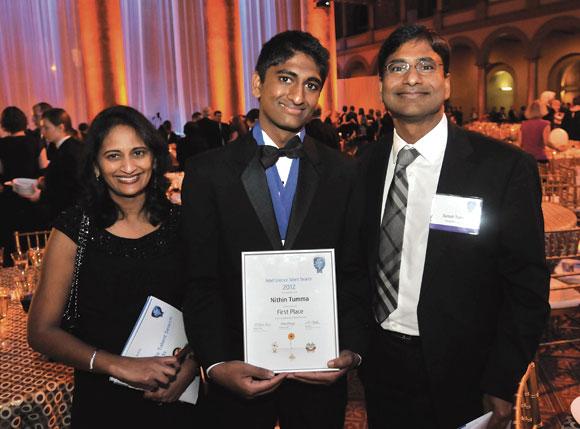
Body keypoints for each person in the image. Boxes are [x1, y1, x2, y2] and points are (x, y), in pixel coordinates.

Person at [357, 24, 549, 429]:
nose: (411, 77)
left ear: (446, 83)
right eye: (397, 67)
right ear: (381, 85)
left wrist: (503, 377)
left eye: (426, 65)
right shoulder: (362, 166)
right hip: (380, 367)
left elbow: (526, 285)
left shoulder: (503, 168)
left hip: (468, 371)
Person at [181, 30, 369, 429]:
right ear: (257, 83)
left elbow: (355, 272)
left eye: (311, 84)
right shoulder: (207, 173)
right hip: (238, 372)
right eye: (286, 78)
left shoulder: (344, 173)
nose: (298, 96)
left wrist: (350, 352)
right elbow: (201, 281)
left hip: (320, 376)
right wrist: (215, 364)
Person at [27, 105, 205, 428]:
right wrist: (119, 366)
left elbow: (208, 306)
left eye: (138, 152)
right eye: (113, 156)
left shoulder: (184, 223)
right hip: (104, 404)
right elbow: (40, 332)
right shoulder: (74, 228)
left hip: (179, 395)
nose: (128, 166)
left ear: (154, 157)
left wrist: (193, 364)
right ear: (96, 165)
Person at [0, 106, 48, 264]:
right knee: (34, 238)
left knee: (11, 240)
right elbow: (43, 168)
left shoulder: (2, 145)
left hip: (9, 198)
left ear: (4, 124)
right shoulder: (36, 142)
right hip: (32, 195)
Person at [27, 108, 84, 222]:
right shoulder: (68, 147)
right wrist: (46, 180)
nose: (42, 132)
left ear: (61, 127)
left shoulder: (69, 151)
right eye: (42, 128)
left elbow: (69, 186)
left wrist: (41, 196)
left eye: (46, 128)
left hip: (71, 213)